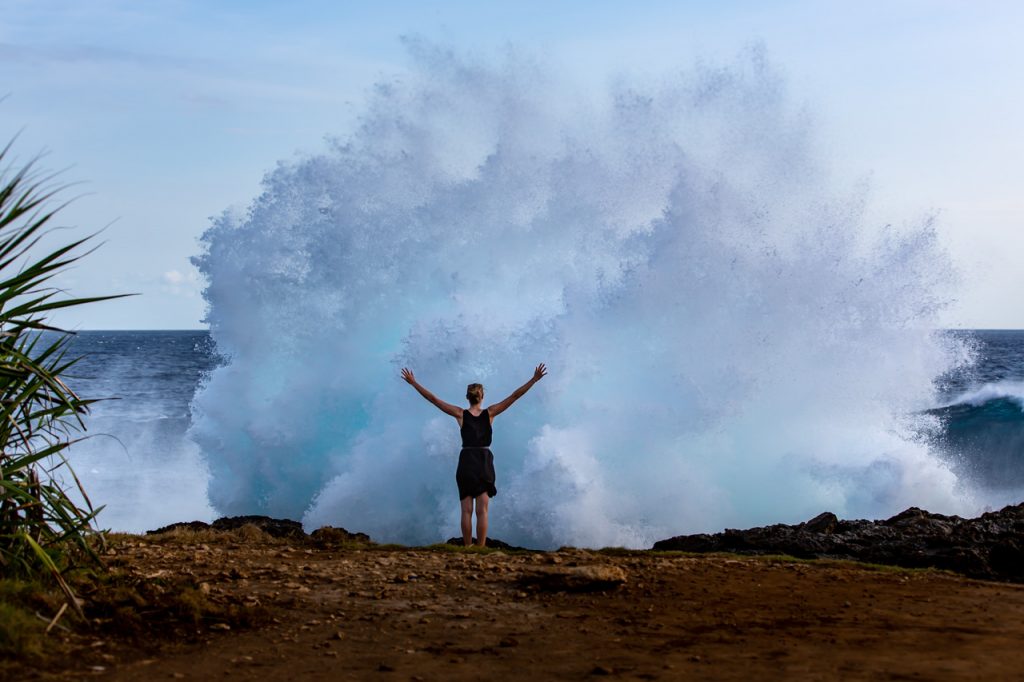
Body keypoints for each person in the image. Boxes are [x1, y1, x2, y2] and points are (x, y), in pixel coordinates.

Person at [401, 363, 547, 547]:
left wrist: (414, 383)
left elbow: (433, 399)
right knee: (482, 510)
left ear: (467, 398)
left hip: (466, 462)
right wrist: (534, 379)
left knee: (466, 511)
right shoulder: (490, 413)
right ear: (482, 396)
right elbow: (515, 396)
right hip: (484, 461)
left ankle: (468, 547)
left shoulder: (460, 414)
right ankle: (481, 548)